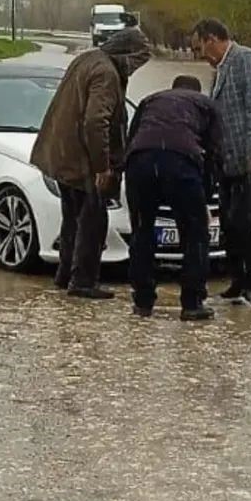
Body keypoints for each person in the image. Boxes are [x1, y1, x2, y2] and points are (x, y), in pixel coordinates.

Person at [30, 27, 151, 299]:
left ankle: (65, 275)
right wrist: (103, 167)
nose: (135, 69)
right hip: (82, 161)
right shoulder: (107, 73)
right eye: (137, 62)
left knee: (72, 218)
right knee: (93, 220)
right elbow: (96, 121)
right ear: (128, 54)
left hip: (60, 155)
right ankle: (83, 281)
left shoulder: (87, 59)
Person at [192, 18, 251, 304]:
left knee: (243, 221)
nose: (200, 55)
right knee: (229, 223)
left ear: (212, 39)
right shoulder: (219, 70)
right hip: (228, 161)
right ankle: (237, 281)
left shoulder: (245, 59)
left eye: (200, 48)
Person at [124, 75, 222, 322]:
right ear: (197, 91)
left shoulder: (150, 100)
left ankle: (143, 302)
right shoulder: (207, 105)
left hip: (141, 161)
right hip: (181, 163)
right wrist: (205, 198)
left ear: (173, 88)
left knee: (142, 230)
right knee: (195, 234)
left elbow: (131, 139)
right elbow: (215, 153)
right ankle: (192, 303)